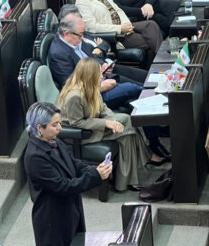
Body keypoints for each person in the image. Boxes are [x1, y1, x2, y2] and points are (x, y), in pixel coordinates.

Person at [22, 101, 112, 246]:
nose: (59, 128)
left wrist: (94, 170)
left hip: (69, 210)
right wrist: (96, 177)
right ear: (39, 128)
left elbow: (74, 164)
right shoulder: (35, 156)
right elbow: (63, 186)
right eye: (54, 125)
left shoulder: (54, 141)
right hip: (51, 219)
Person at [58, 58, 167, 192]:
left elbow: (102, 108)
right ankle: (139, 165)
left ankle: (129, 179)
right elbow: (77, 122)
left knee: (126, 124)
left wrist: (112, 120)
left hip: (93, 123)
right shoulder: (74, 96)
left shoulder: (90, 86)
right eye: (99, 73)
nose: (102, 76)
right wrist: (106, 123)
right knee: (127, 129)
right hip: (80, 134)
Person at [48, 14, 146, 110]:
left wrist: (102, 64)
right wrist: (100, 87)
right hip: (94, 94)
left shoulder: (77, 35)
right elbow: (70, 86)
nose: (83, 38)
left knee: (146, 77)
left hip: (104, 74)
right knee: (134, 88)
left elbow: (100, 47)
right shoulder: (58, 54)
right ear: (66, 34)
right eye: (80, 35)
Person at [76, 0, 163, 66]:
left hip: (125, 26)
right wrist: (120, 29)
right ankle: (162, 63)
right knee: (151, 39)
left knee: (151, 25)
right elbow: (92, 27)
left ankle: (159, 65)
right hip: (116, 35)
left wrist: (127, 26)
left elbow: (119, 11)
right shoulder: (82, 3)